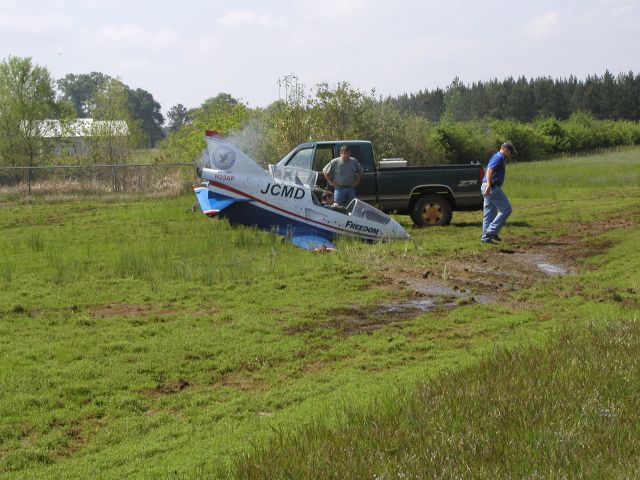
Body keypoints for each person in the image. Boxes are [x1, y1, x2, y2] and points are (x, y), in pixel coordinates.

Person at [481, 142, 515, 244]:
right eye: (510, 152)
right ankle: (490, 232)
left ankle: (486, 238)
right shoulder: (499, 157)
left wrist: (487, 185)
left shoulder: (498, 157)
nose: (511, 155)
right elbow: (490, 170)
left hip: (487, 186)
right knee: (507, 209)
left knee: (489, 214)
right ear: (505, 149)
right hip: (491, 187)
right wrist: (488, 185)